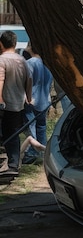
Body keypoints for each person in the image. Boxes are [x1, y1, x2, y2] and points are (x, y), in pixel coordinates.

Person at [0, 30, 32, 176]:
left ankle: (7, 164)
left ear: (1, 44)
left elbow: (0, 81)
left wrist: (0, 99)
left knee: (5, 133)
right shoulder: (22, 60)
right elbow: (29, 80)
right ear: (14, 43)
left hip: (4, 104)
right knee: (14, 134)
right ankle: (13, 164)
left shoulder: (2, 60)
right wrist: (29, 97)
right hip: (18, 104)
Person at [22, 42, 53, 164]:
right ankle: (42, 153)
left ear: (31, 47)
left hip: (32, 100)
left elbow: (28, 80)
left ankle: (31, 153)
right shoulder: (47, 64)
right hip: (44, 100)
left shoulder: (30, 63)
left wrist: (27, 96)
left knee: (31, 127)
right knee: (41, 127)